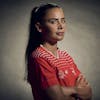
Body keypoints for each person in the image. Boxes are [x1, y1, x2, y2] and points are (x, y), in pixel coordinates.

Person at [25, 3, 92, 100]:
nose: (61, 26)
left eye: (63, 21)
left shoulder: (66, 56)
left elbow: (88, 93)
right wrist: (76, 90)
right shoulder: (39, 57)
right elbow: (56, 97)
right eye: (53, 22)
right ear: (39, 27)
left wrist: (64, 90)